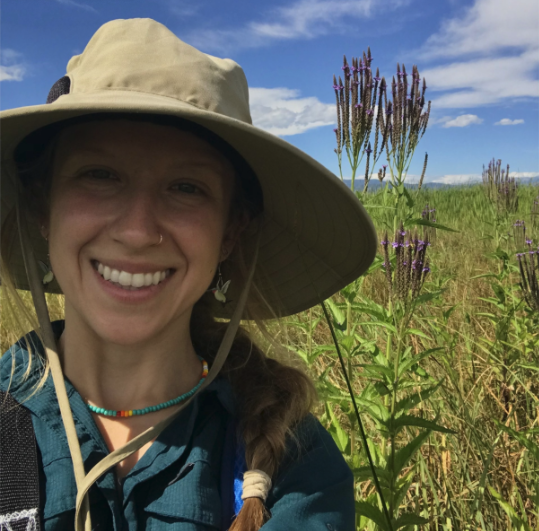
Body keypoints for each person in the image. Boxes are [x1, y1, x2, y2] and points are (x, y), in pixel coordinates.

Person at [0, 18, 377, 531]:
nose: (136, 231)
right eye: (99, 175)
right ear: (44, 208)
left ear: (230, 232)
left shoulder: (295, 469)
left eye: (186, 188)